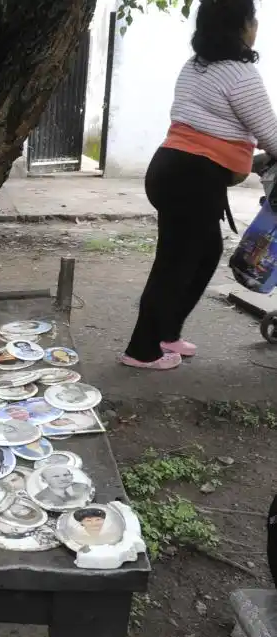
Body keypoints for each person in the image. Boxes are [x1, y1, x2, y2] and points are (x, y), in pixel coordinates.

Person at [123, 0, 277, 369]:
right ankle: (141, 351)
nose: (255, 25)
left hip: (171, 169)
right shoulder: (241, 76)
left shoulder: (195, 67)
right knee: (174, 266)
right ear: (240, 25)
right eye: (252, 18)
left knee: (204, 254)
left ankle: (166, 334)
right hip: (193, 178)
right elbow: (271, 136)